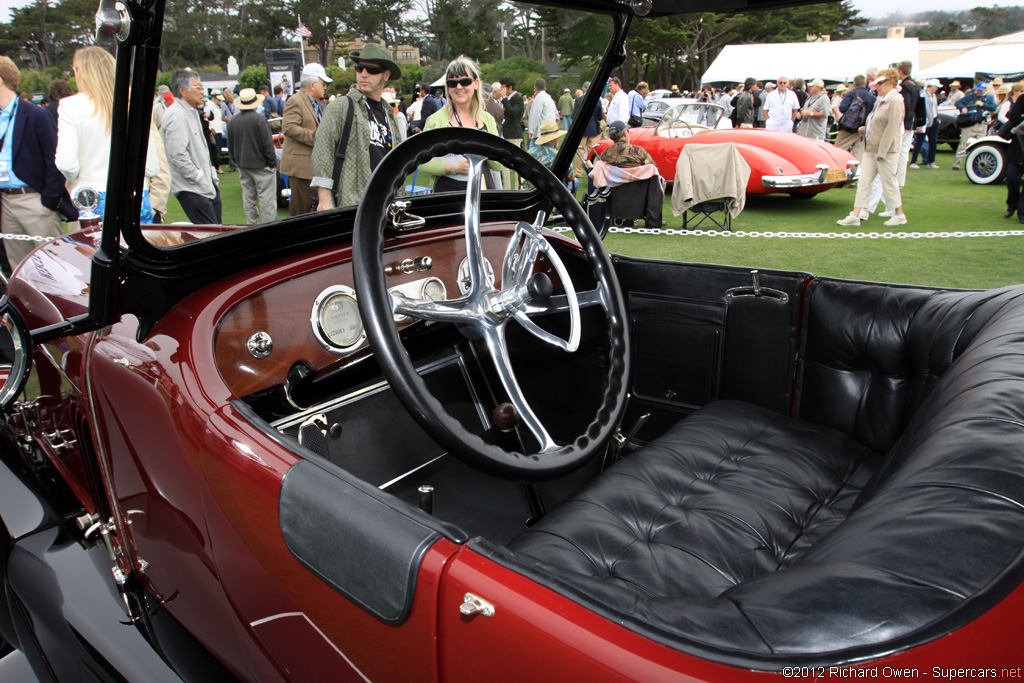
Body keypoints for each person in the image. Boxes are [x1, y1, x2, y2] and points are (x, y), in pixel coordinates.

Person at [0, 55, 75, 269]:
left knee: (54, 266)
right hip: (6, 202)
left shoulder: (36, 115)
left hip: (34, 199)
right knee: (20, 270)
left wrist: (49, 201)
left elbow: (54, 160)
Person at [312, 43, 404, 210]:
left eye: (371, 70)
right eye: (359, 68)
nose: (364, 74)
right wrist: (324, 199)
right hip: (351, 203)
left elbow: (396, 162)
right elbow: (322, 151)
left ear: (386, 74)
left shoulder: (389, 113)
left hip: (386, 203)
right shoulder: (341, 106)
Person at [418, 56, 501, 193]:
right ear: (447, 86)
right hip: (448, 195)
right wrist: (453, 168)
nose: (459, 87)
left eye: (465, 81)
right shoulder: (436, 120)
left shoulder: (487, 119)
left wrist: (487, 148)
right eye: (452, 83)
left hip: (483, 192)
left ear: (476, 83)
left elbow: (497, 165)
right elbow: (422, 161)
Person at [837, 69, 906, 227]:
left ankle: (899, 213)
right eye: (877, 83)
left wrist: (882, 151)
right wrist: (864, 129)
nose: (877, 86)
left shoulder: (896, 100)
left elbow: (892, 127)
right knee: (864, 182)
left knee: (889, 182)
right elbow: (874, 120)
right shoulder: (881, 99)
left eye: (881, 83)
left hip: (886, 150)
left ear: (890, 82)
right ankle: (856, 214)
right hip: (871, 148)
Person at [161, 69, 221, 224]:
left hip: (207, 186)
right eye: (198, 88)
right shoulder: (176, 114)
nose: (202, 92)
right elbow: (177, 155)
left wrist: (211, 175)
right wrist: (198, 177)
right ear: (183, 91)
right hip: (192, 188)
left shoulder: (192, 112)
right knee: (209, 237)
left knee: (218, 234)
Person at [280, 62, 332, 215]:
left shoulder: (315, 104)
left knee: (311, 211)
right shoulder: (295, 101)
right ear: (312, 84)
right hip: (301, 169)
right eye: (323, 84)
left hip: (312, 168)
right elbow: (289, 128)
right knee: (300, 212)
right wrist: (317, 137)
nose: (325, 87)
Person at [227, 88, 277, 225]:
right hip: (261, 164)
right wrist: (272, 163)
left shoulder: (232, 122)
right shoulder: (259, 120)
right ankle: (269, 227)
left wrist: (236, 161)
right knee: (266, 198)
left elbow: (230, 146)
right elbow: (267, 144)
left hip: (243, 164)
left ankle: (251, 225)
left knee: (248, 198)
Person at [952, 82, 996, 171]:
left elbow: (993, 108)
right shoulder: (970, 96)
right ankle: (957, 164)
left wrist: (983, 105)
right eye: (978, 90)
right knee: (963, 145)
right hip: (970, 123)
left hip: (982, 124)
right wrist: (963, 108)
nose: (979, 91)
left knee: (980, 146)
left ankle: (977, 164)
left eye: (981, 90)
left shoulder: (989, 98)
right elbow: (958, 103)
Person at [835, 75, 876, 161]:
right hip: (862, 130)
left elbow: (842, 108)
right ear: (865, 83)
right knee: (859, 157)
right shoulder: (872, 98)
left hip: (847, 129)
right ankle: (857, 173)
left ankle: (837, 171)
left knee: (837, 152)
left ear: (854, 83)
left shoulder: (851, 94)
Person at [1002, 84, 1024, 222]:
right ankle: (1012, 205)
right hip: (1018, 146)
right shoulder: (1022, 98)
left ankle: (1022, 212)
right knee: (1012, 178)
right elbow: (1013, 116)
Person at [573, 81, 603, 181]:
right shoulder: (597, 100)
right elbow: (600, 116)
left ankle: (578, 172)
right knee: (592, 151)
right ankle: (593, 170)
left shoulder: (579, 100)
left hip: (582, 128)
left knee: (580, 151)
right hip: (593, 128)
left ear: (583, 89)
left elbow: (574, 115)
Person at [498, 77, 525, 189]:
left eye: (503, 88)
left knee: (516, 163)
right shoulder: (505, 100)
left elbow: (513, 113)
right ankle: (507, 188)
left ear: (510, 87)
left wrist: (504, 99)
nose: (502, 91)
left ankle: (519, 187)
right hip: (505, 134)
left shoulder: (517, 98)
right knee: (504, 164)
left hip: (514, 134)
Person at [910, 79, 941, 169]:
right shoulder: (922, 94)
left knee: (933, 142)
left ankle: (931, 161)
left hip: (934, 120)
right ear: (931, 86)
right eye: (936, 87)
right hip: (925, 121)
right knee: (919, 141)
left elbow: (934, 108)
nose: (937, 89)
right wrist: (919, 123)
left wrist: (937, 118)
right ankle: (913, 161)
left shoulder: (934, 96)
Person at [527, 78, 557, 148]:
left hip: (540, 134)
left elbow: (535, 116)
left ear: (535, 88)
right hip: (550, 132)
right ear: (545, 88)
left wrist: (531, 131)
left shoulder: (539, 98)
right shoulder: (550, 99)